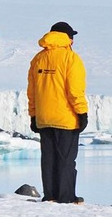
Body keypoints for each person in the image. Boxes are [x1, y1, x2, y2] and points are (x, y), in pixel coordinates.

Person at [27, 21, 88, 203]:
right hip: (66, 118)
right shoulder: (71, 59)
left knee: (48, 159)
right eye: (72, 37)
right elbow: (75, 90)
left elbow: (32, 91)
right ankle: (66, 197)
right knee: (66, 160)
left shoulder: (38, 58)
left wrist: (34, 115)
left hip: (44, 118)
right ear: (68, 39)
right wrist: (82, 113)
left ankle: (50, 195)